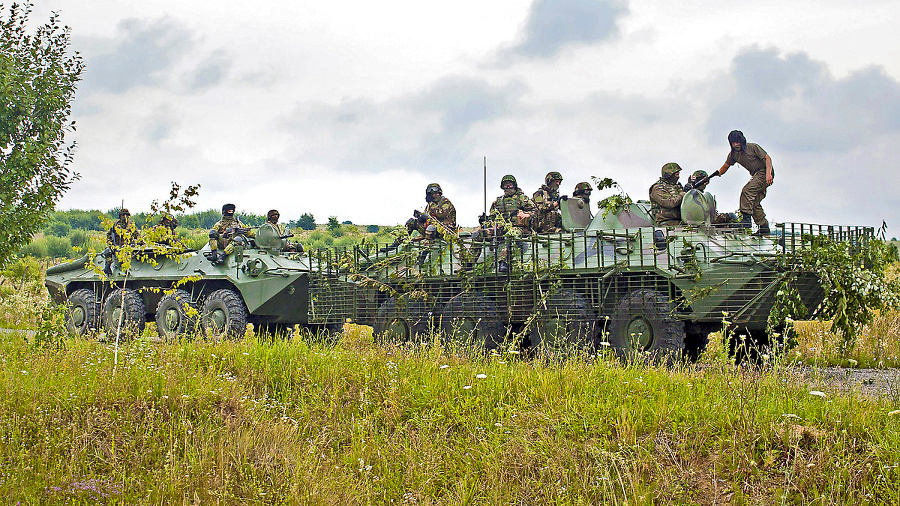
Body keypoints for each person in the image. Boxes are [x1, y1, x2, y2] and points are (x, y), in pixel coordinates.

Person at [470, 175, 536, 272]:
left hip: (518, 227)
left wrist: (526, 214)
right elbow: (492, 217)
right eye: (505, 186)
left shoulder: (522, 198)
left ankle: (503, 262)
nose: (507, 188)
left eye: (509, 185)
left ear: (514, 186)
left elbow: (535, 211)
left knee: (510, 235)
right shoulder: (498, 201)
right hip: (501, 228)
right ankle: (469, 262)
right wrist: (489, 221)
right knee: (480, 234)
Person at [716, 130, 774, 235]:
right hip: (756, 175)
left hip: (764, 172)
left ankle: (746, 220)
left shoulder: (752, 147)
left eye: (737, 142)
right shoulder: (733, 154)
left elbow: (767, 158)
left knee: (747, 191)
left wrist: (768, 174)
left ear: (742, 141)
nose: (736, 145)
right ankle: (763, 226)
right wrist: (717, 173)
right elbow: (726, 165)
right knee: (754, 202)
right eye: (733, 143)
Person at [103, 208, 140, 275]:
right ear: (120, 216)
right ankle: (107, 267)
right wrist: (110, 241)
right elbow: (109, 234)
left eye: (126, 215)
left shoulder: (131, 226)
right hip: (116, 245)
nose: (124, 216)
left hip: (128, 246)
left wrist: (140, 243)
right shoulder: (115, 225)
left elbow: (138, 236)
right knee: (107, 251)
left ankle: (126, 268)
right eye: (123, 215)